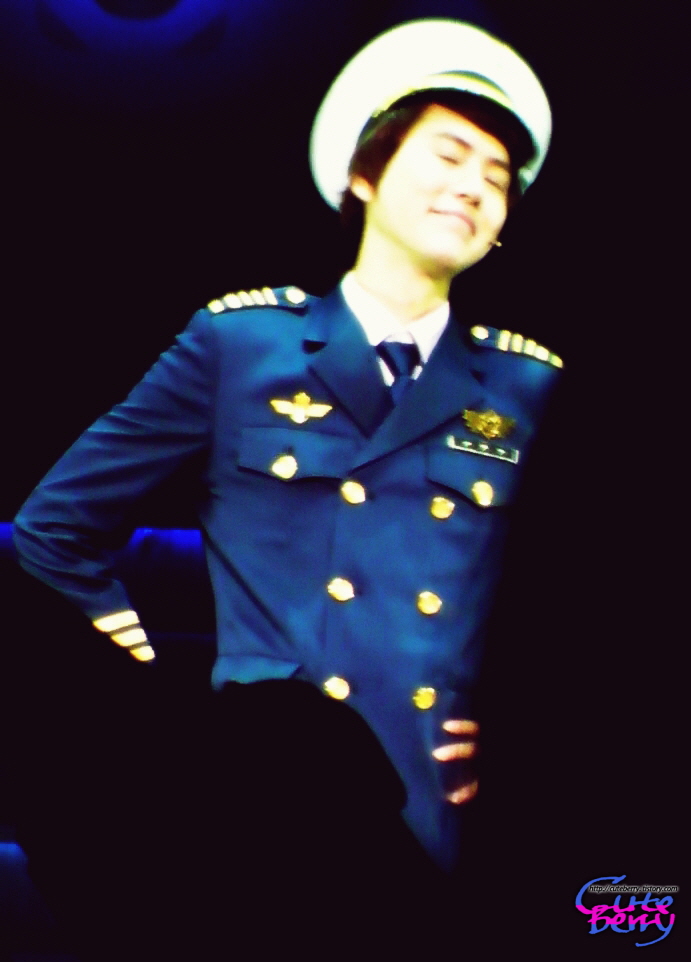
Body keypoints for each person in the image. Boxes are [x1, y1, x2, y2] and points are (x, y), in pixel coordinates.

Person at [12, 18, 561, 959]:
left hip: (439, 819)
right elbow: (53, 530)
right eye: (448, 155)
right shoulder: (242, 345)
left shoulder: (530, 386)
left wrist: (528, 725)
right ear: (363, 175)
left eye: (498, 175)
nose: (474, 185)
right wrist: (136, 670)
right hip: (261, 812)